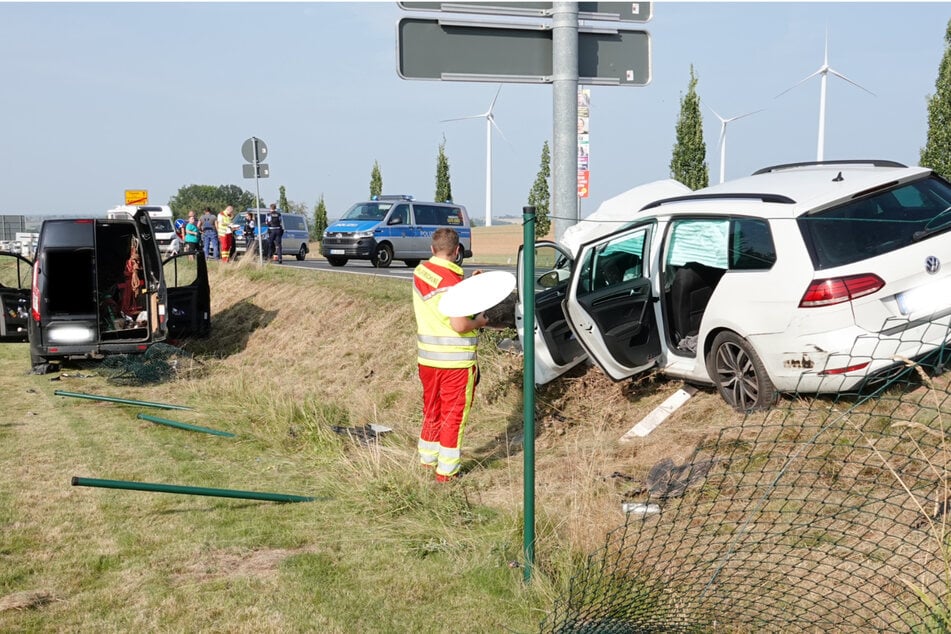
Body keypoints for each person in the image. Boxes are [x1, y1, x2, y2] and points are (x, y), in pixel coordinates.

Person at [412, 227, 489, 482]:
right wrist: (478, 322)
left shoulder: (421, 272)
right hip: (455, 362)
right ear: (458, 251)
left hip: (428, 360)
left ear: (432, 249)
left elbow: (440, 291)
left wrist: (467, 285)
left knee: (431, 410)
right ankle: (446, 473)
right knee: (452, 416)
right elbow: (459, 325)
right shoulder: (454, 285)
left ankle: (426, 461)